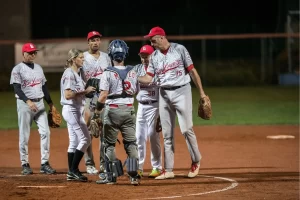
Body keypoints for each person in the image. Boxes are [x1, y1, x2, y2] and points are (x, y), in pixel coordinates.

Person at [138, 27, 207, 180]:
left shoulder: (179, 49)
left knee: (186, 129)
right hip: (164, 94)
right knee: (167, 134)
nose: (151, 42)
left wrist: (202, 93)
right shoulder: (154, 56)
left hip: (182, 91)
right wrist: (135, 77)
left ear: (161, 37)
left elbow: (192, 71)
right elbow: (148, 78)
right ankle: (168, 169)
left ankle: (196, 160)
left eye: (153, 38)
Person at [94, 39, 141, 185]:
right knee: (131, 144)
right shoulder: (133, 71)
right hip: (129, 110)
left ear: (111, 55)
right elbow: (137, 92)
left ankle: (112, 175)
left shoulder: (107, 73)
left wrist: (96, 113)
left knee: (109, 145)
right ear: (125, 53)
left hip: (112, 111)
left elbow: (102, 96)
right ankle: (133, 175)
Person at [10, 43, 57, 175]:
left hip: (40, 103)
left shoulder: (39, 68)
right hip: (25, 105)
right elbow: (17, 88)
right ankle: (25, 164)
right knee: (24, 135)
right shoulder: (17, 69)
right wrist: (28, 101)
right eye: (29, 53)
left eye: (34, 53)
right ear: (23, 54)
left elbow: (44, 87)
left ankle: (44, 163)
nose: (32, 55)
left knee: (46, 132)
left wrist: (51, 103)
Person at [60, 48, 95, 182]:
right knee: (86, 139)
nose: (83, 59)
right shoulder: (69, 73)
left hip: (74, 109)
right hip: (72, 109)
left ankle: (71, 172)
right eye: (80, 57)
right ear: (73, 59)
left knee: (74, 142)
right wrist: (85, 91)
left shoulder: (77, 73)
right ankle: (74, 170)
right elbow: (68, 95)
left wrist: (86, 91)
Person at [82, 31, 111, 175]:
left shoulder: (106, 57)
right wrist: (83, 89)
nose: (95, 42)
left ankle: (104, 163)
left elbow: (112, 75)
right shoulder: (83, 57)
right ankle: (89, 163)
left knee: (104, 131)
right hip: (88, 99)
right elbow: (75, 75)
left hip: (104, 98)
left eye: (97, 39)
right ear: (88, 42)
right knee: (88, 131)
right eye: (92, 40)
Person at [134, 45, 162, 177]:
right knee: (139, 137)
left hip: (155, 106)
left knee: (152, 135)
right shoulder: (137, 69)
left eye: (147, 56)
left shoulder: (158, 69)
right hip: (141, 106)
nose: (145, 58)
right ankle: (138, 167)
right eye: (142, 56)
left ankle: (157, 167)